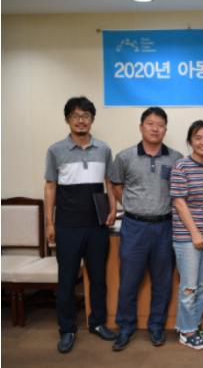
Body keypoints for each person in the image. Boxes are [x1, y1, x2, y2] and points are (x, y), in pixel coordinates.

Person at [44, 96, 117, 353]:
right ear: (68, 119)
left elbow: (109, 182)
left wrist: (113, 208)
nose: (81, 120)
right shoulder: (56, 150)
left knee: (98, 278)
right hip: (67, 226)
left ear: (92, 120)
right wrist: (49, 223)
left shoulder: (103, 149)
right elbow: (50, 186)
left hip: (97, 225)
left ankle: (97, 323)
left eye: (86, 116)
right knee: (66, 281)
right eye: (76, 116)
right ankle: (67, 330)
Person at [110, 107, 183, 351]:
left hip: (165, 226)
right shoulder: (124, 156)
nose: (155, 128)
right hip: (134, 227)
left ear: (165, 130)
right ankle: (125, 327)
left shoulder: (175, 158)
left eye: (160, 125)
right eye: (150, 123)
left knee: (162, 282)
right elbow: (116, 185)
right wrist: (132, 205)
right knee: (129, 281)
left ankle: (156, 326)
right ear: (141, 127)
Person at [170, 120, 203, 350]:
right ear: (190, 141)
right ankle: (187, 332)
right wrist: (195, 233)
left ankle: (193, 325)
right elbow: (179, 203)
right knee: (189, 287)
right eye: (198, 137)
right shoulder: (181, 166)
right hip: (188, 237)